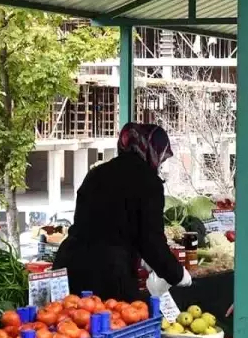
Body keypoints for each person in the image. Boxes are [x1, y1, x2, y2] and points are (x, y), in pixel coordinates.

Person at [54, 123, 190, 302]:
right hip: (108, 275)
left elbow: (93, 224)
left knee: (71, 324)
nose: (161, 163)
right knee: (112, 324)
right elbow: (151, 240)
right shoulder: (149, 183)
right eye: (162, 158)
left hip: (70, 266)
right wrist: (178, 274)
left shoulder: (96, 173)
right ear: (151, 149)